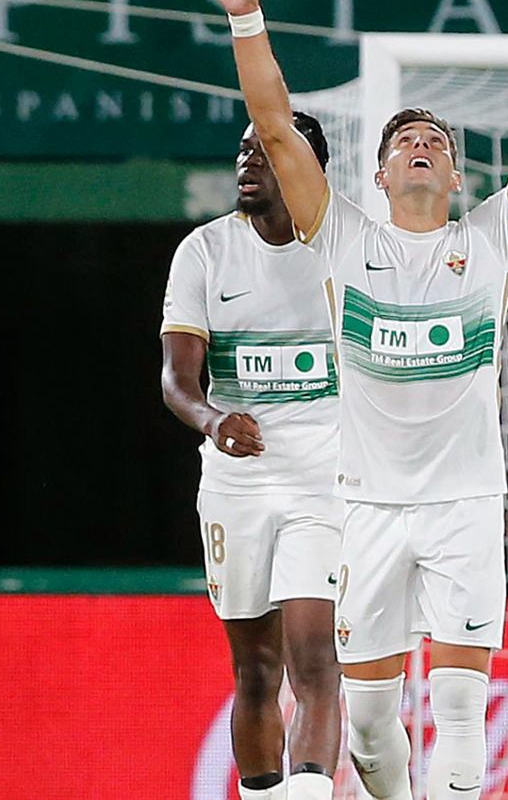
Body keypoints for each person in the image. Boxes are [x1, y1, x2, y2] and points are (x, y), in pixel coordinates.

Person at [204, 0, 508, 800]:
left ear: (459, 177)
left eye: (436, 139)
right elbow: (278, 130)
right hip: (366, 507)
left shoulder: (493, 237)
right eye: (403, 142)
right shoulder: (343, 240)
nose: (421, 145)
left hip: (465, 505)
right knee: (366, 725)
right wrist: (248, 17)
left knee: (462, 712)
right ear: (382, 176)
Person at [160, 113, 344, 800]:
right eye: (243, 150)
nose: (247, 162)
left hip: (324, 480)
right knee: (256, 670)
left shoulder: (344, 248)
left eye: (265, 151)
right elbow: (177, 378)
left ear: (307, 167)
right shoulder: (204, 253)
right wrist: (212, 419)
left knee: (315, 659)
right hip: (237, 485)